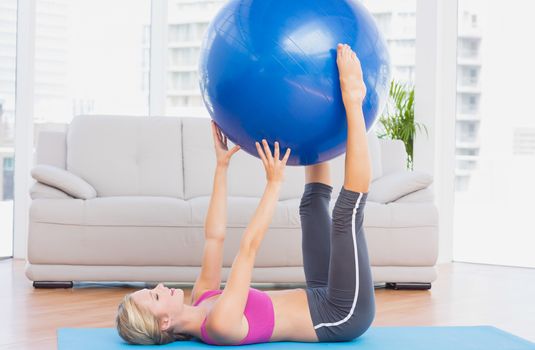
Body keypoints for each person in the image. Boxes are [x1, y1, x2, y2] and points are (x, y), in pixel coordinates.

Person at [115, 43, 375, 345]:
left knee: (312, 205)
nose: (160, 285)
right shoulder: (219, 325)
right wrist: (273, 184)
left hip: (319, 290)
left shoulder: (202, 299)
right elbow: (248, 249)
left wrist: (221, 166)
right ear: (165, 322)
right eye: (156, 295)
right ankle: (352, 98)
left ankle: (322, 114)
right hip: (341, 313)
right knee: (346, 214)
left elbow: (215, 237)